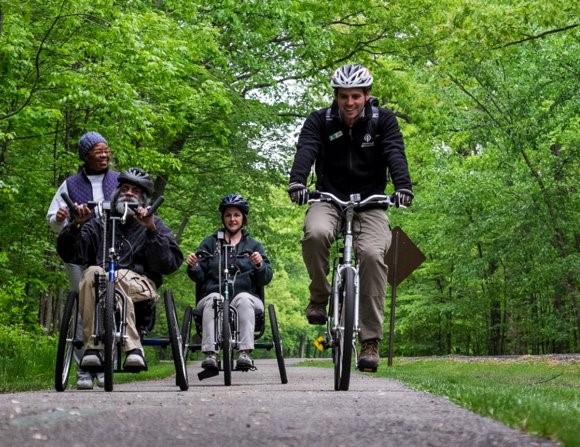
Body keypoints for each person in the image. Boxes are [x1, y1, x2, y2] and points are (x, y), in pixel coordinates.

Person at [288, 63, 414, 371]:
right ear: (335, 96)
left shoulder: (383, 121)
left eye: (356, 96)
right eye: (343, 97)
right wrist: (297, 182)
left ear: (367, 95)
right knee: (315, 233)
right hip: (328, 197)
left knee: (372, 254)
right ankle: (319, 297)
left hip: (371, 202)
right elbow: (306, 149)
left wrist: (403, 187)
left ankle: (370, 341)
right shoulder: (320, 120)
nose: (349, 103)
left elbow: (394, 152)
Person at [56, 167, 183, 371]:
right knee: (91, 273)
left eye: (134, 190)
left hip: (141, 287)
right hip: (101, 286)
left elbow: (168, 264)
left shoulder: (155, 224)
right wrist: (75, 226)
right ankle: (93, 349)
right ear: (116, 192)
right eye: (124, 188)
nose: (128, 193)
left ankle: (133, 349)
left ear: (143, 198)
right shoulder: (98, 223)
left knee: (118, 275)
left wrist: (151, 230)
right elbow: (71, 254)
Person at [46, 131, 119, 390]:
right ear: (85, 156)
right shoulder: (70, 184)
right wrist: (62, 217)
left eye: (106, 150)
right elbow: (54, 219)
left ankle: (104, 366)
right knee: (81, 309)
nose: (103, 155)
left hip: (109, 251)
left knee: (108, 306)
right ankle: (84, 369)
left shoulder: (119, 182)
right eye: (97, 151)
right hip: (78, 251)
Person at [186, 194, 273, 370]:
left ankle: (244, 354)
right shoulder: (210, 243)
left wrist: (259, 265)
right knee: (214, 299)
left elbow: (265, 278)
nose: (232, 219)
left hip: (246, 299)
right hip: (213, 297)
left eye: (236, 215)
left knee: (243, 299)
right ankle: (211, 354)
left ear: (243, 218)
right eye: (228, 215)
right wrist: (194, 267)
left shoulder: (254, 246)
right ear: (223, 218)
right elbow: (200, 277)